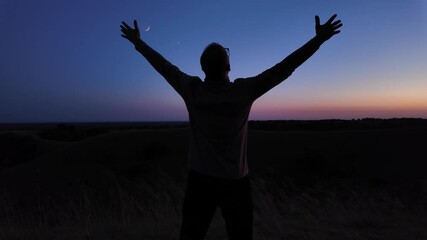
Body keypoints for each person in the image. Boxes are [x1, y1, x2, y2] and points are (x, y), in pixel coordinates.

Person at [120, 14, 342, 240]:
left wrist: (138, 42)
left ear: (203, 69)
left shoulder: (192, 90)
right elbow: (283, 69)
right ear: (228, 66)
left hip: (200, 180)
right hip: (236, 183)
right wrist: (318, 41)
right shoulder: (242, 92)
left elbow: (164, 67)